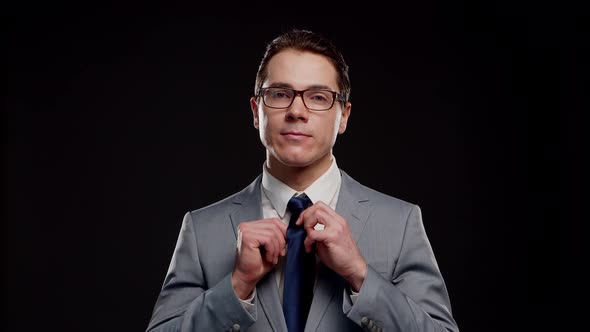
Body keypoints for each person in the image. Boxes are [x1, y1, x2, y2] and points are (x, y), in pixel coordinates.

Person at [146, 28, 459, 332]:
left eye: (318, 97)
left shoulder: (400, 223)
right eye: (280, 94)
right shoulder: (201, 230)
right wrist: (237, 284)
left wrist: (359, 274)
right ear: (256, 112)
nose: (297, 111)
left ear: (344, 115)